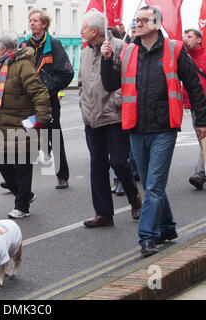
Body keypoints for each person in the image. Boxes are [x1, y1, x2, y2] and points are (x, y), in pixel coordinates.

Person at [101, 6, 206, 257]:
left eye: (143, 20)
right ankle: (168, 226)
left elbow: (194, 86)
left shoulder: (175, 49)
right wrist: (106, 60)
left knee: (155, 185)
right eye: (136, 20)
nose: (137, 24)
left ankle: (147, 237)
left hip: (164, 128)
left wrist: (201, 120)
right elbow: (110, 84)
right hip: (136, 127)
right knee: (151, 183)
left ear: (157, 24)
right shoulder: (127, 52)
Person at [78, 10, 142, 228]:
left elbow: (129, 80)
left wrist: (117, 101)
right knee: (97, 166)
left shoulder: (120, 47)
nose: (81, 32)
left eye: (84, 28)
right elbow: (81, 83)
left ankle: (135, 200)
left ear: (95, 31)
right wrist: (83, 103)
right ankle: (104, 213)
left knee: (119, 162)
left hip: (114, 116)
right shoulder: (84, 53)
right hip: (92, 119)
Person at [0, 30, 51, 219]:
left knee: (22, 166)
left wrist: (41, 119)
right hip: (2, 125)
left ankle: (22, 205)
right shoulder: (0, 65)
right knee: (2, 162)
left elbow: (39, 92)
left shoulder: (23, 65)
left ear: (4, 48)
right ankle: (26, 195)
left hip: (22, 125)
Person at [20, 9, 74, 189]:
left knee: (54, 137)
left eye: (35, 20)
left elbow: (67, 73)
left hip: (48, 101)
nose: (32, 23)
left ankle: (62, 175)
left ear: (44, 24)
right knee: (24, 139)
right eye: (30, 20)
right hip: (28, 101)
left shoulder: (54, 45)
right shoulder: (24, 45)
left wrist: (48, 88)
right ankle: (17, 181)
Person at [182, 29, 206, 190]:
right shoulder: (183, 56)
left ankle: (200, 174)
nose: (186, 39)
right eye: (185, 36)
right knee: (202, 141)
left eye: (189, 36)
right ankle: (201, 173)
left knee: (204, 141)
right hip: (194, 106)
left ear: (199, 39)